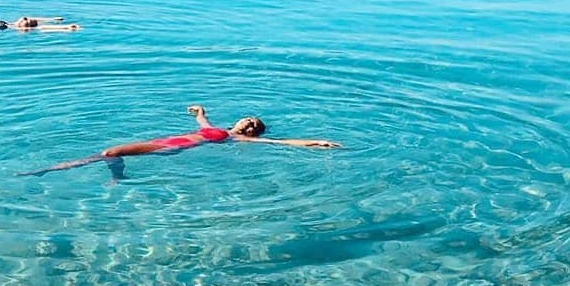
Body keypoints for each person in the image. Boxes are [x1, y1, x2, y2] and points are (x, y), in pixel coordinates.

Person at [21, 104, 343, 180]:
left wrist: (316, 143)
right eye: (246, 117)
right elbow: (202, 123)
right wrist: (200, 113)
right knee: (104, 153)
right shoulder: (219, 128)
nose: (248, 121)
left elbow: (283, 143)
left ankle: (114, 179)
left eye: (253, 124)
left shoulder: (236, 139)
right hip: (164, 140)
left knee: (110, 152)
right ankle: (52, 170)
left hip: (172, 147)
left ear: (252, 133)